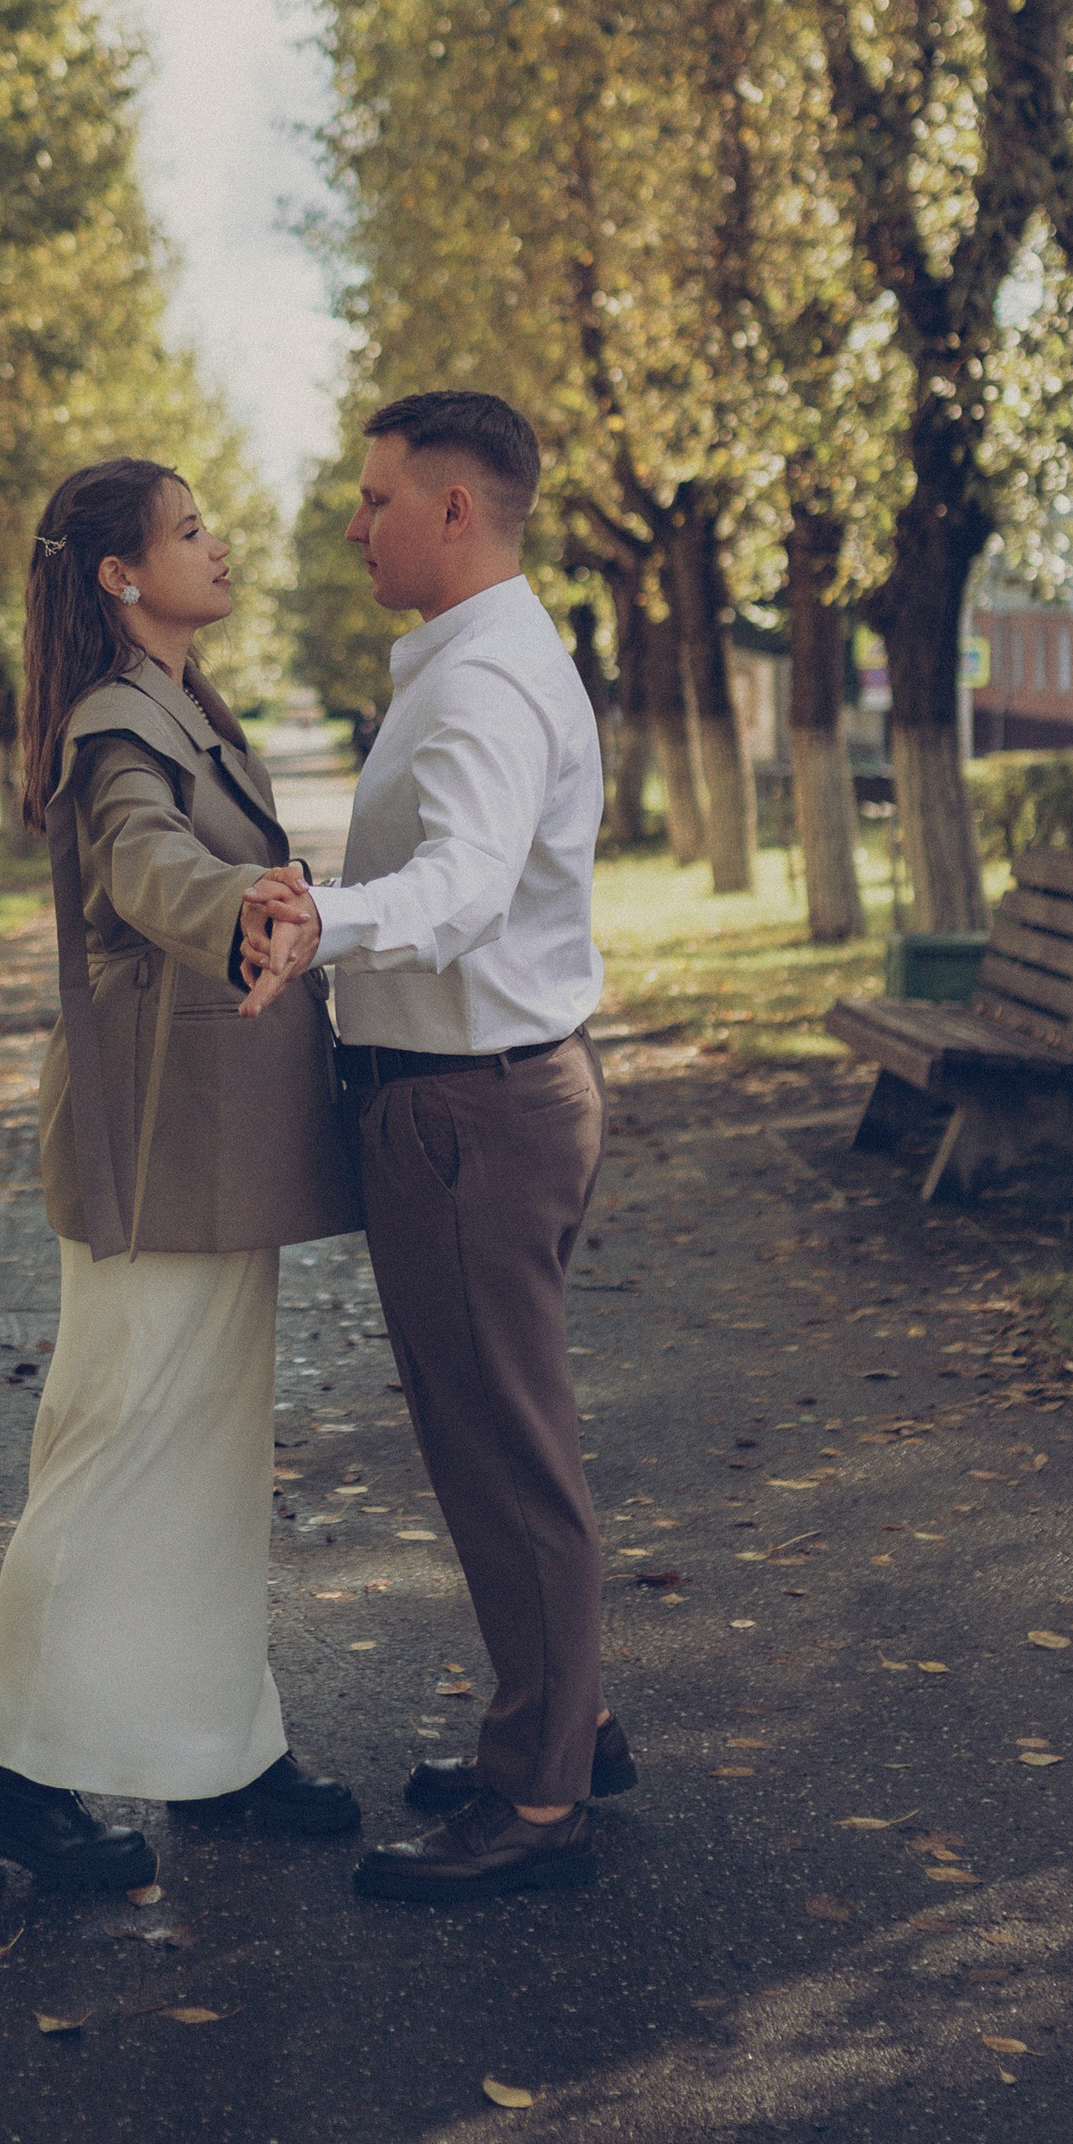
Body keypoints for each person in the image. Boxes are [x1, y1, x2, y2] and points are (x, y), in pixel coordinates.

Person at [0, 456, 363, 1894]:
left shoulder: (178, 705)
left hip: (204, 1152)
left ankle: (220, 1758)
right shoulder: (121, 727)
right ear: (122, 576)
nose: (217, 543)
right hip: (156, 1151)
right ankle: (0, 1785)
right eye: (191, 530)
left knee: (206, 1464)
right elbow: (142, 866)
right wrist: (240, 902)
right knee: (118, 1463)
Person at [240, 390, 627, 1904]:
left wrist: (317, 920)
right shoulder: (484, 658)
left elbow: (462, 889)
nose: (354, 521)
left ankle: (537, 1811)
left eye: (376, 495)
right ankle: (562, 1728)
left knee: (505, 1459)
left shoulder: (481, 684)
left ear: (455, 508)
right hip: (486, 1097)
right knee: (504, 1438)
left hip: (471, 1113)